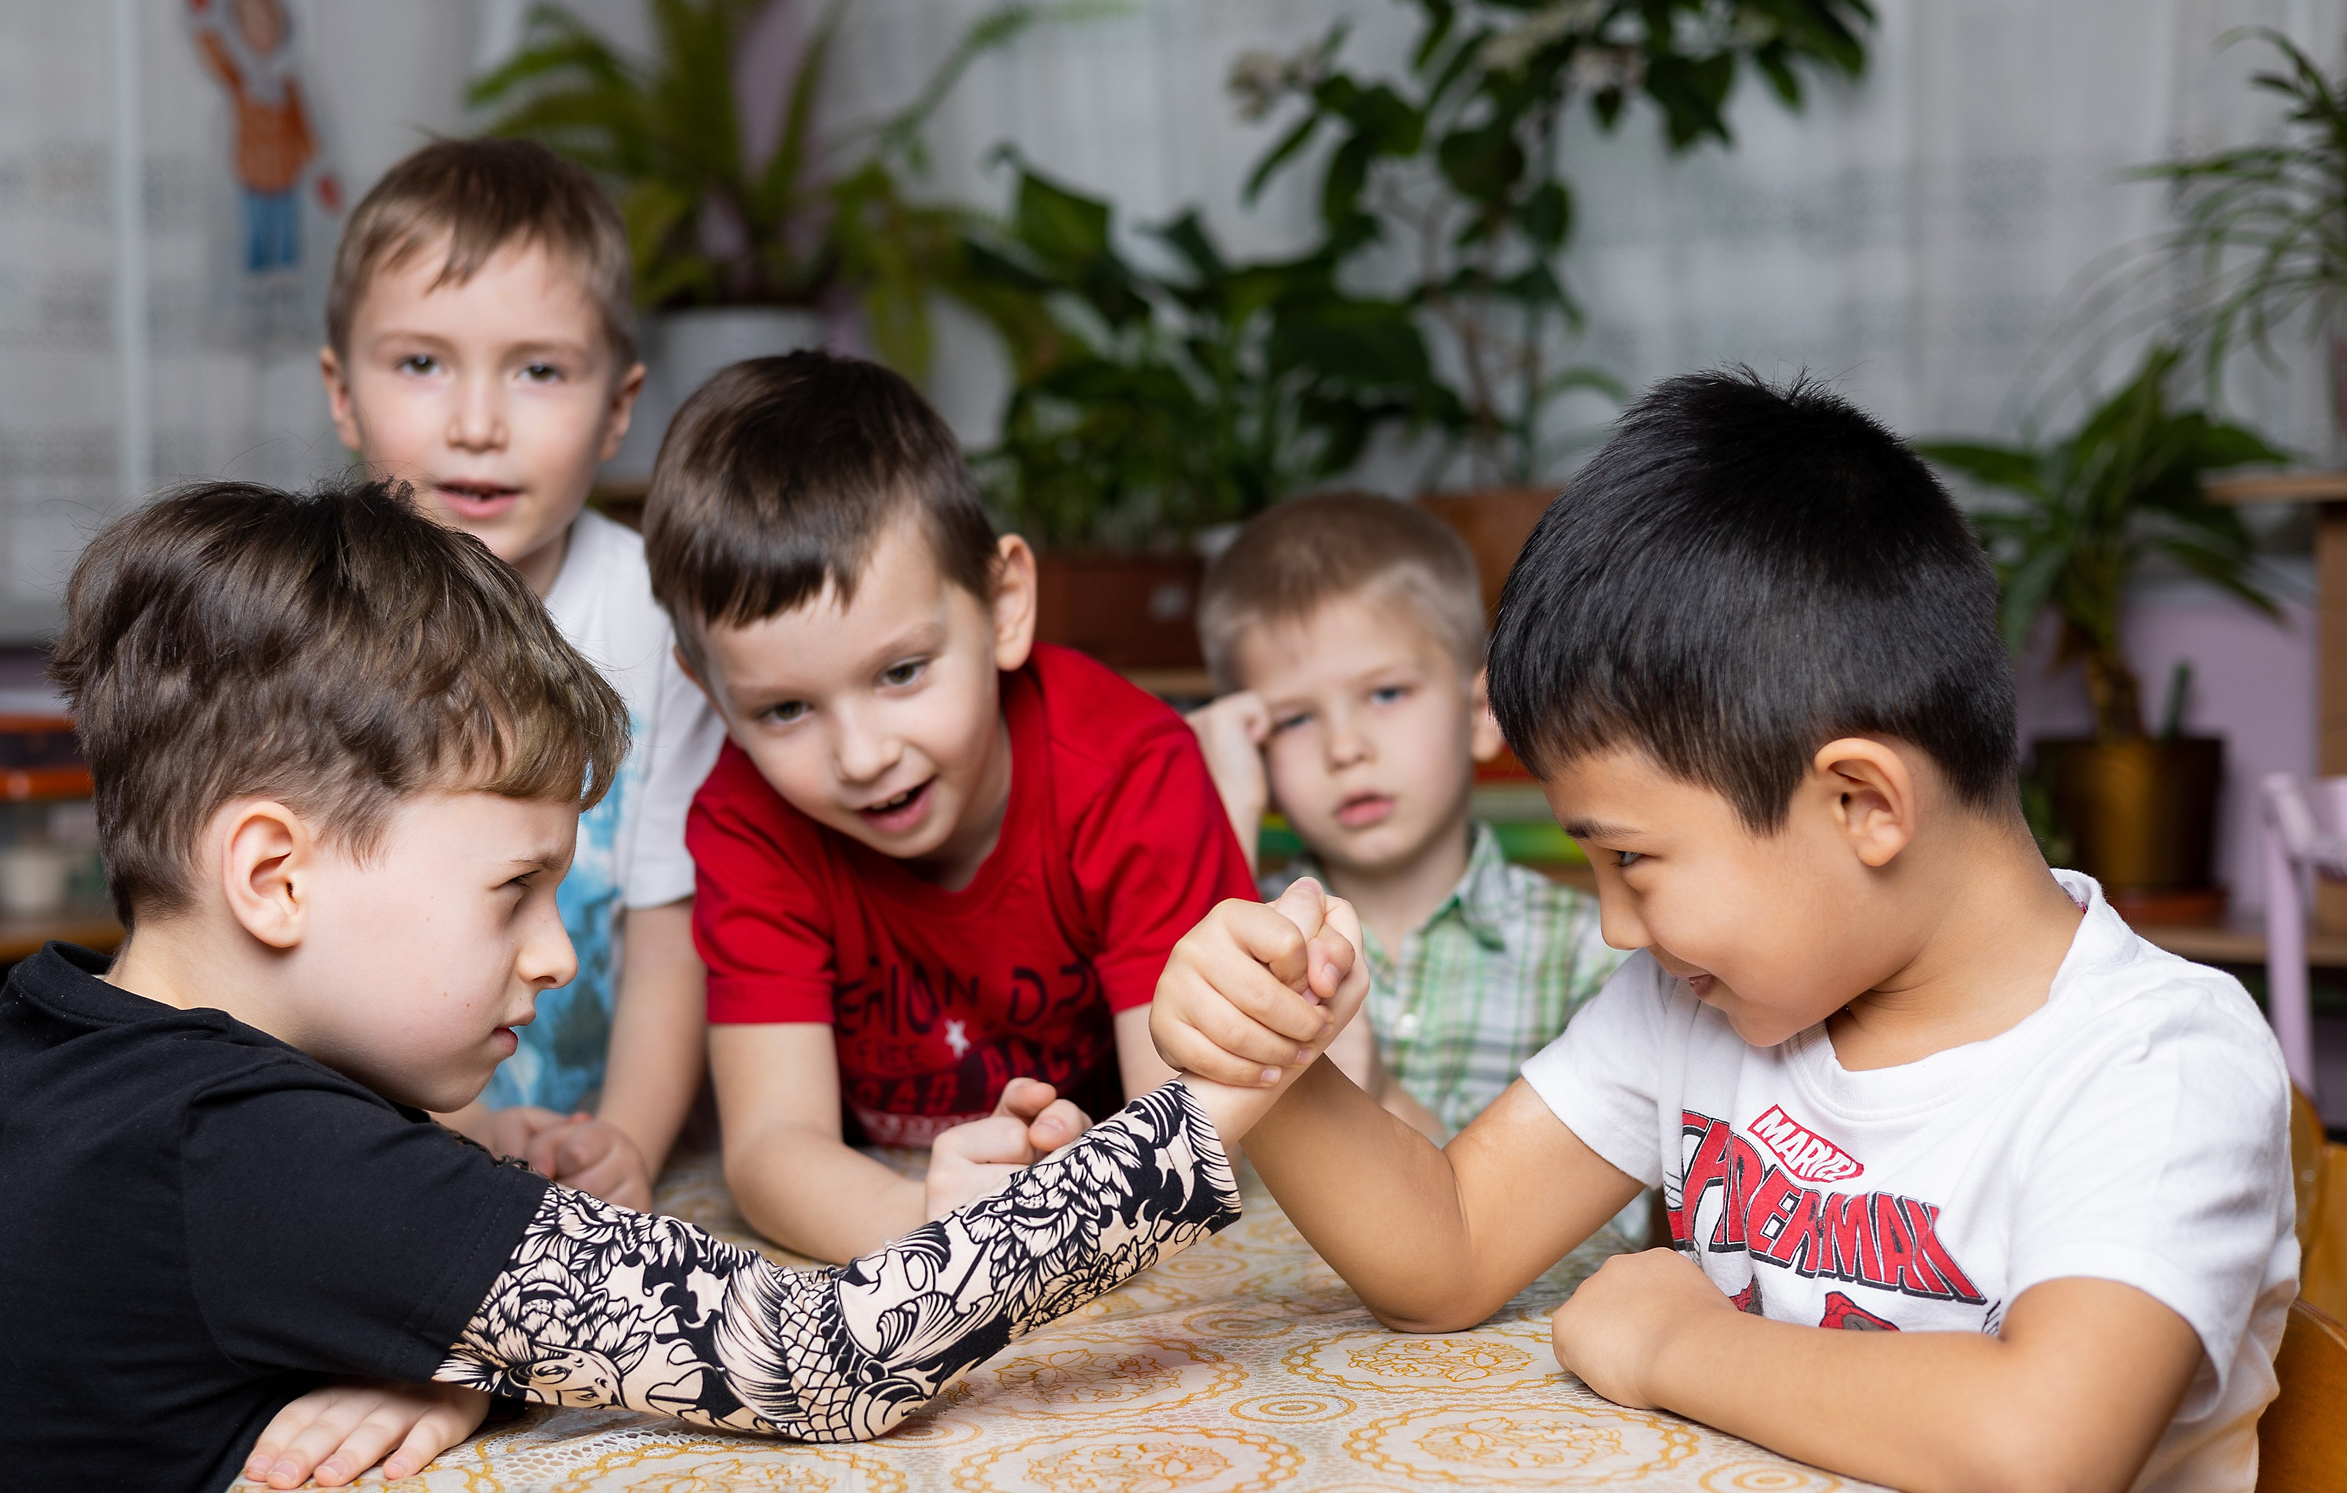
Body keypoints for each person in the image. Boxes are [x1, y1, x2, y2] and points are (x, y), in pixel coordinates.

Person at [0, 481, 1270, 1493]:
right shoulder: (247, 1152)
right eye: (513, 889)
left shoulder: (68, 1041)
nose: (551, 952)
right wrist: (1227, 1099)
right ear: (275, 874)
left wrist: (467, 1357)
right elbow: (827, 1356)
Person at [1147, 371, 2298, 1493]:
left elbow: (2044, 1444)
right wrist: (1268, 1057)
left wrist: (1675, 1343)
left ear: (1862, 800)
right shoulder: (1701, 1000)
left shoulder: (2155, 1065)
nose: (1622, 928)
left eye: (1634, 858)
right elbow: (1447, 1250)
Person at [646, 351, 1259, 1263]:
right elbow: (773, 1149)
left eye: (901, 672)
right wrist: (941, 1233)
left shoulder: (1133, 774)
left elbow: (1193, 1134)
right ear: (709, 691)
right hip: (914, 1200)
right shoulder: (745, 823)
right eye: (784, 709)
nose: (862, 755)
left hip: (1102, 1174)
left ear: (1003, 603)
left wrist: (1045, 1219)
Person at [319, 137, 721, 1211]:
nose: (478, 425)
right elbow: (308, 963)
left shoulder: (657, 622)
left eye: (538, 369)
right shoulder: (310, 628)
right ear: (341, 392)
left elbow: (667, 925)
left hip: (606, 1139)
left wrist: (624, 1141)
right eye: (421, 364)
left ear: (619, 407)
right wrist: (462, 1130)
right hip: (374, 1149)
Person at [1186, 492, 1621, 1144]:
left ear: (1480, 713)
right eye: (1294, 718)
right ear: (1254, 745)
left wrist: (1371, 1092)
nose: (1344, 746)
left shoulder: (1590, 956)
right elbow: (1188, 1190)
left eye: (1386, 693)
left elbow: (1588, 1239)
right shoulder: (1239, 940)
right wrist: (1214, 818)